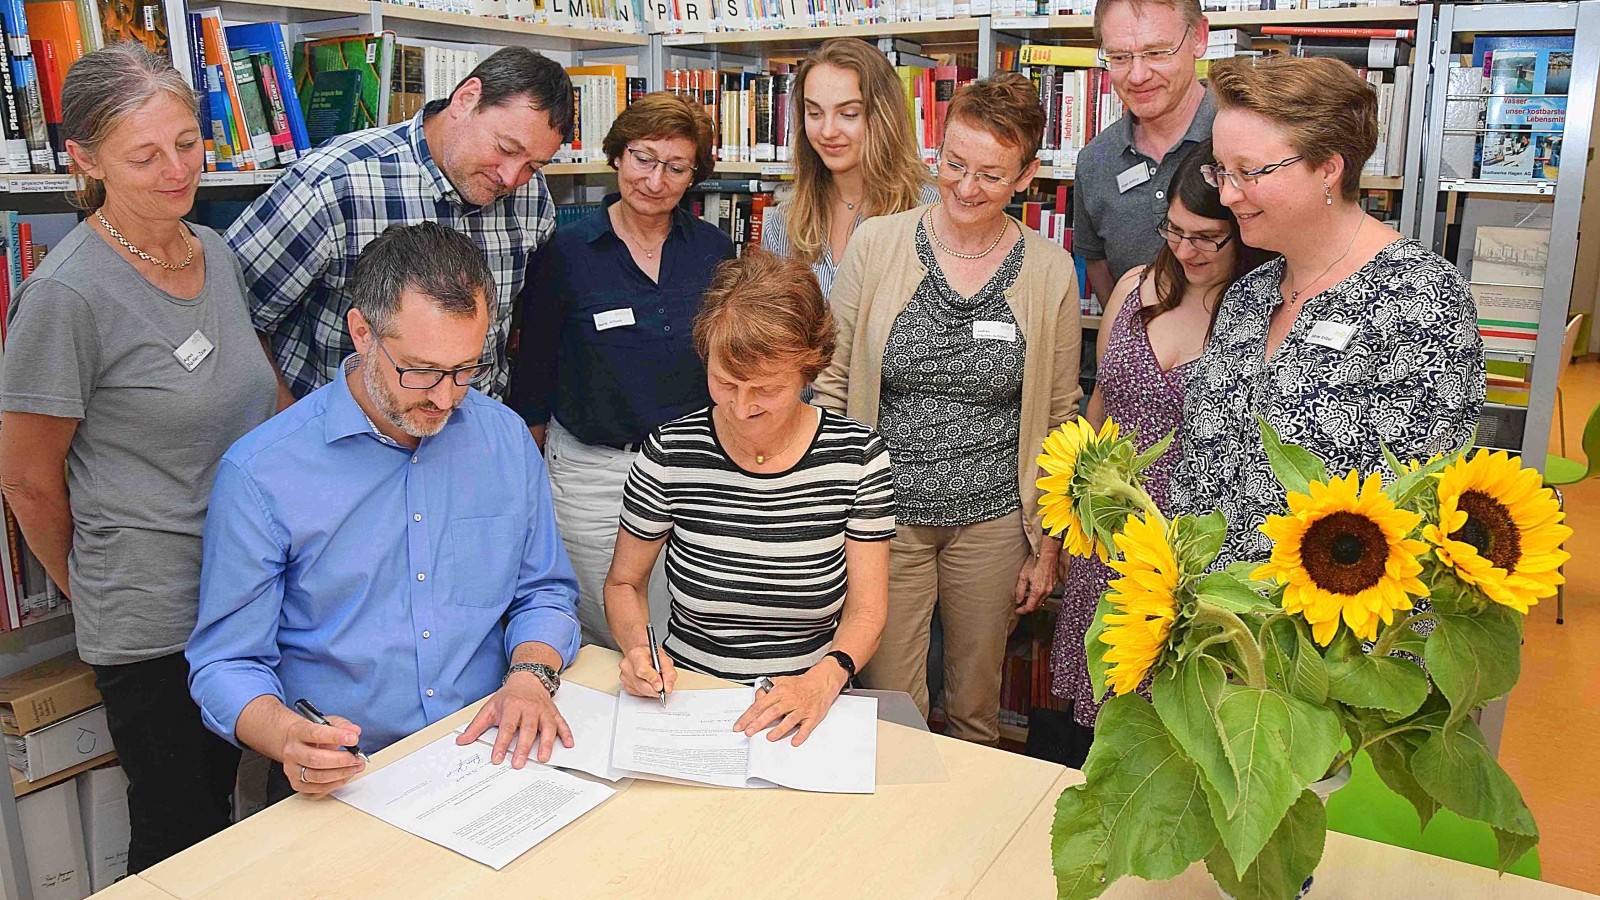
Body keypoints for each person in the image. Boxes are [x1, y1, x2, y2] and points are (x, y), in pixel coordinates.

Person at [0, 45, 277, 871]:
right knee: (180, 836)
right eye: (144, 154)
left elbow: (261, 398)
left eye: (187, 143)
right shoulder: (67, 295)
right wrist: (96, 585)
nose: (176, 169)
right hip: (152, 617)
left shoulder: (214, 252)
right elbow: (25, 478)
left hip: (244, 586)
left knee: (250, 815)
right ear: (85, 161)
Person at [187, 223, 581, 804]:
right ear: (362, 333)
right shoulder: (262, 473)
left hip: (487, 751)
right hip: (347, 775)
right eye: (421, 371)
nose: (446, 398)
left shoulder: (504, 438)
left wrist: (530, 676)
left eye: (465, 369)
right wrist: (287, 736)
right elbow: (226, 663)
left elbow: (544, 592)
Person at [816, 74, 1083, 746]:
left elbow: (1059, 417)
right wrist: (830, 508)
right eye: (954, 164)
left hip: (993, 525)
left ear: (1026, 176)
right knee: (890, 708)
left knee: (975, 710)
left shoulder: (1049, 269)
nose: (965, 188)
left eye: (990, 175)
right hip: (883, 519)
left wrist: (1048, 545)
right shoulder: (877, 244)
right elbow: (833, 382)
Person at [1171, 56, 1485, 566]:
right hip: (1214, 604)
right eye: (1222, 171)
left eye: (1248, 172)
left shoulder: (1421, 299)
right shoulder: (1250, 294)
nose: (1226, 195)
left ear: (1328, 169)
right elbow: (1198, 466)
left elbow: (1418, 512)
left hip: (1336, 609)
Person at [604, 250, 894, 748]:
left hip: (810, 701)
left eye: (766, 389)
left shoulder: (856, 457)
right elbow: (624, 582)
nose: (741, 407)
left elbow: (867, 610)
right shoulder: (671, 452)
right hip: (689, 698)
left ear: (808, 370)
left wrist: (824, 680)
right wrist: (638, 650)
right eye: (725, 383)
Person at [1049, 140, 1268, 752]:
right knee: (1099, 719)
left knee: (1173, 726)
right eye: (1174, 230)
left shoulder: (1257, 315)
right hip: (1108, 536)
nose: (1185, 250)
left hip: (1192, 552)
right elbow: (1100, 407)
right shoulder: (1132, 288)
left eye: (1207, 238)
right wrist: (1066, 528)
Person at [510, 92, 735, 649]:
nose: (655, 180)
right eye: (643, 158)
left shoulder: (713, 250)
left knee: (689, 627)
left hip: (695, 471)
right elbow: (532, 377)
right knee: (609, 635)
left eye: (676, 167)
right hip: (595, 476)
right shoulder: (566, 253)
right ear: (617, 154)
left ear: (695, 176)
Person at [228, 47, 573, 408]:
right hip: (344, 430)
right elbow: (234, 316)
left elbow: (528, 322)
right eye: (505, 148)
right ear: (466, 99)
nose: (511, 177)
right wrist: (294, 427)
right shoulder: (335, 183)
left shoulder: (532, 195)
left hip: (471, 425)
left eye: (533, 165)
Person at [761, 38, 940, 296]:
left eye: (848, 114)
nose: (828, 131)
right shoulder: (782, 221)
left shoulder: (931, 214)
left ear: (884, 117)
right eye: (814, 113)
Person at [1073, 0, 1214, 305]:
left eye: (1157, 52)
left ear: (1199, 37)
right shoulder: (1094, 162)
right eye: (1119, 57)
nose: (1137, 76)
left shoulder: (1246, 141)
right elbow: (1097, 265)